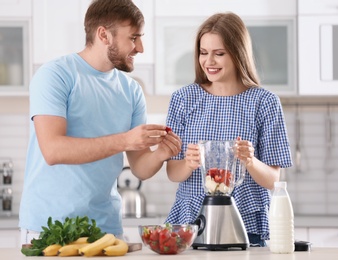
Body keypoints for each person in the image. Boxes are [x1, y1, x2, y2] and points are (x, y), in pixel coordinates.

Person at [18, 0, 181, 245]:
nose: (141, 47)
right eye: (134, 37)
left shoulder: (131, 90)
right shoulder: (55, 75)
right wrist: (126, 140)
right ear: (103, 34)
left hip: (106, 230)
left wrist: (160, 154)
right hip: (48, 229)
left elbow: (139, 168)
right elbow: (53, 150)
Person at [164, 12, 292, 247]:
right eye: (204, 53)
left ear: (238, 53)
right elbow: (173, 172)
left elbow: (274, 179)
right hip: (192, 222)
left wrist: (251, 161)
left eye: (219, 54)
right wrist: (188, 163)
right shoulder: (183, 99)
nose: (209, 61)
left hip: (246, 223)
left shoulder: (264, 102)